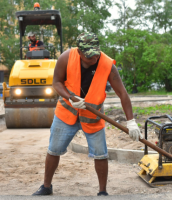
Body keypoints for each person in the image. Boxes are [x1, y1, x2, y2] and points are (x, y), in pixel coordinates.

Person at [32, 32, 143, 196]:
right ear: (79, 51)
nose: (93, 59)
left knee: (101, 154)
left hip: (93, 116)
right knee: (54, 150)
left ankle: (103, 192)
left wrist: (131, 121)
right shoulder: (66, 58)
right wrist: (70, 97)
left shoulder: (107, 65)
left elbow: (123, 94)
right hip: (66, 113)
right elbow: (56, 82)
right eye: (89, 56)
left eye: (95, 55)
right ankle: (46, 186)